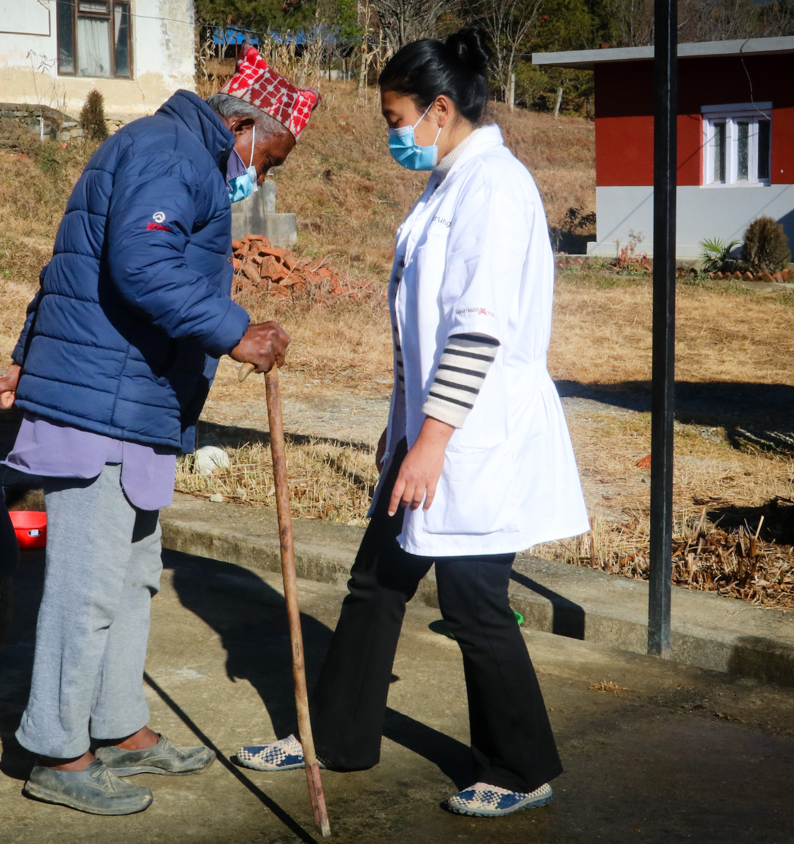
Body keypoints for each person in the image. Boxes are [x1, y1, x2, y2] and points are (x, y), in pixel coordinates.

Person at [233, 28, 589, 818]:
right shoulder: (453, 183)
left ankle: (520, 766)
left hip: (471, 438)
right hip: (432, 434)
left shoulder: (493, 187)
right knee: (377, 582)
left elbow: (477, 328)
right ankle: (336, 737)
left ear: (439, 108)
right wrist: (405, 434)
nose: (394, 136)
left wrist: (429, 443)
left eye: (398, 120)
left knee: (473, 605)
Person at [0, 48, 319, 816]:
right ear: (242, 126)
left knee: (132, 580)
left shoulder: (179, 155)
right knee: (85, 588)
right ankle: (58, 752)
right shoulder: (172, 150)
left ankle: (118, 727)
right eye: (266, 160)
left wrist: (22, 359)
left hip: (132, 402)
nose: (261, 180)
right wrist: (235, 331)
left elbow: (73, 266)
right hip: (100, 405)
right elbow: (141, 263)